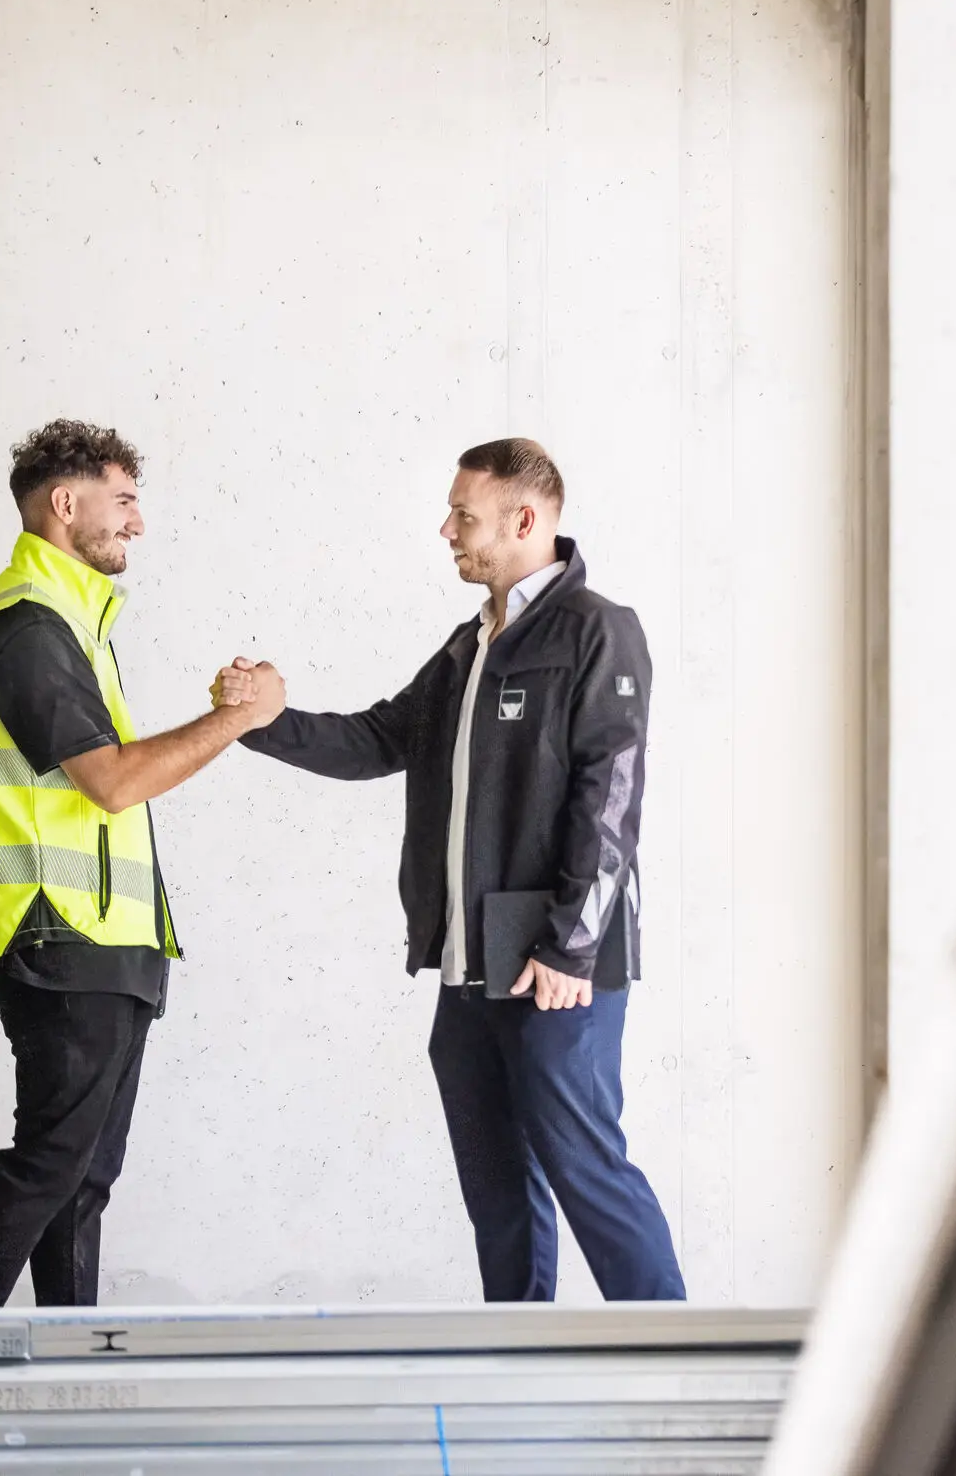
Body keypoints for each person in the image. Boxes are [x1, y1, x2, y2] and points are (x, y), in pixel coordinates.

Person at [229, 437, 685, 1301]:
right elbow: (378, 740)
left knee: (585, 1166)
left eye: (463, 515)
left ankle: (671, 1349)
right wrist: (264, 720)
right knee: (498, 1193)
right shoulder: (468, 644)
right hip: (468, 963)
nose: (446, 529)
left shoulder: (597, 631)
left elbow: (612, 797)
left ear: (525, 518)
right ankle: (518, 1356)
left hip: (558, 967)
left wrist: (571, 949)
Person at [0, 418, 283, 1308]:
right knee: (49, 1164)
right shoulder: (25, 625)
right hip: (57, 930)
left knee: (83, 1176)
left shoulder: (77, 624)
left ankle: (62, 1373)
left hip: (109, 936)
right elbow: (116, 784)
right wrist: (238, 719)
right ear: (65, 503)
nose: (138, 523)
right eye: (123, 500)